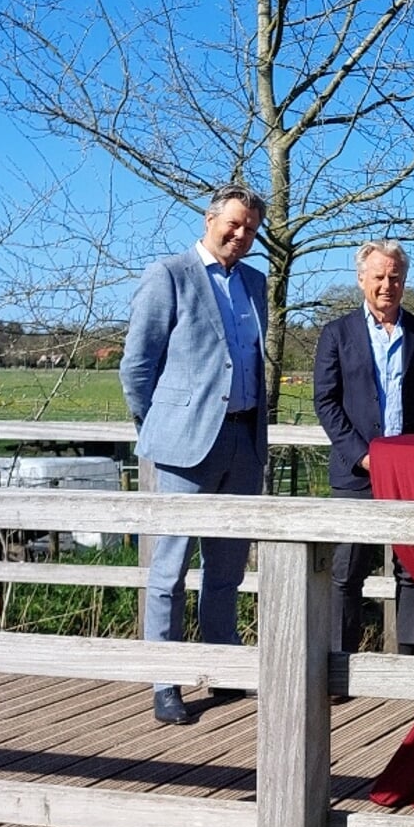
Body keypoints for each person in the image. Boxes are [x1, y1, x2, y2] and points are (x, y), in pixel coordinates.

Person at [120, 184, 269, 726]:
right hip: (185, 444)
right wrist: (159, 425)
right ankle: (167, 679)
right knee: (170, 569)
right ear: (210, 219)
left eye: (251, 229)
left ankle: (222, 666)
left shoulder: (255, 283)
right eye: (233, 223)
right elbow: (137, 366)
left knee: (227, 569)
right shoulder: (170, 275)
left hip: (244, 441)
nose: (241, 234)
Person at [313, 240, 414, 656]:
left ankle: (408, 664)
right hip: (355, 473)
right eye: (379, 276)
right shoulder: (336, 334)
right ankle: (340, 663)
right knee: (346, 572)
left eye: (395, 277)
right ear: (361, 278)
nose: (387, 285)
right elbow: (325, 402)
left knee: (413, 571)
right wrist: (361, 454)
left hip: (409, 475)